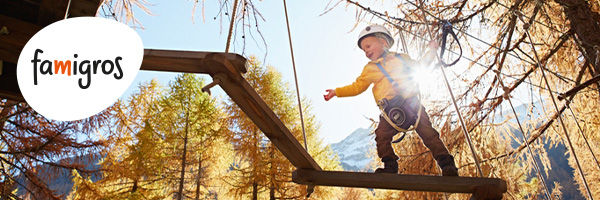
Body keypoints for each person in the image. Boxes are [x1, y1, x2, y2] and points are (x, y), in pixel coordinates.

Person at [324, 24, 458, 176]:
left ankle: (447, 164)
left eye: (368, 46)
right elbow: (357, 87)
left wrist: (432, 50)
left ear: (384, 42)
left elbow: (420, 65)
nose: (366, 51)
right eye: (364, 50)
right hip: (390, 111)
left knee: (429, 134)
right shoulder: (370, 69)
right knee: (381, 136)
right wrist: (337, 92)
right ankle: (390, 165)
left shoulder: (402, 59)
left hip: (412, 105)